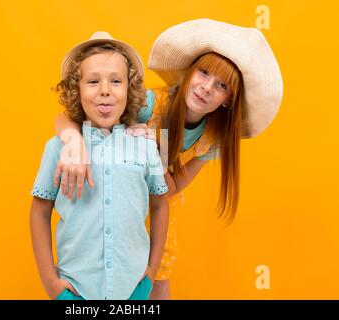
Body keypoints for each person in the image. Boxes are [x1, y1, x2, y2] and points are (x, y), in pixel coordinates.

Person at [54, 19, 283, 299]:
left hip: (159, 211)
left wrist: (156, 156)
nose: (207, 87)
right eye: (204, 72)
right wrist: (73, 141)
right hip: (118, 199)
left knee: (156, 280)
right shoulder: (151, 104)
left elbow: (173, 188)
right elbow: (68, 115)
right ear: (189, 72)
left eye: (221, 85)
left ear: (228, 99)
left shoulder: (213, 138)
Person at [29, 31, 169, 300]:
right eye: (93, 81)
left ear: (129, 90)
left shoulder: (147, 146)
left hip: (133, 289)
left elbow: (161, 204)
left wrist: (151, 271)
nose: (105, 89)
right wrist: (50, 281)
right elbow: (39, 210)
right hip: (74, 290)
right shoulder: (57, 148)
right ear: (76, 90)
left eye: (116, 81)